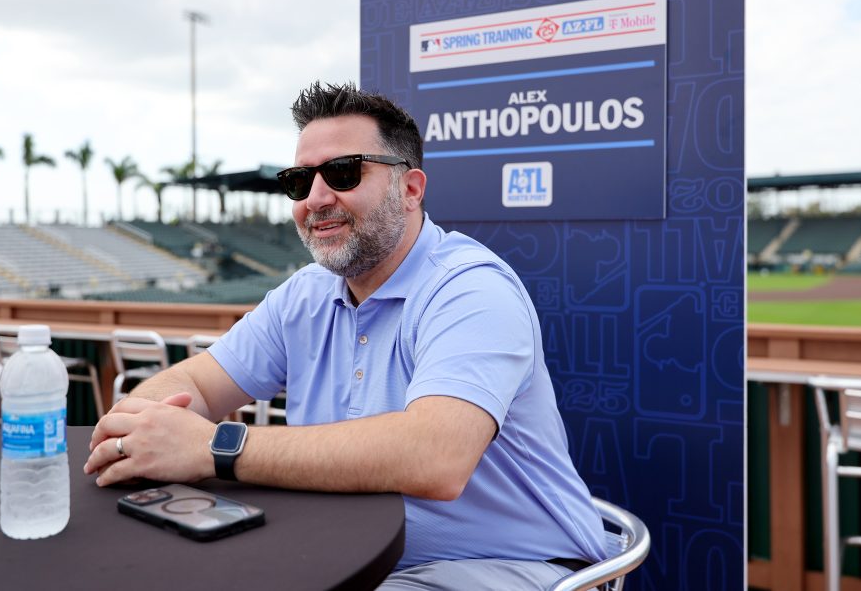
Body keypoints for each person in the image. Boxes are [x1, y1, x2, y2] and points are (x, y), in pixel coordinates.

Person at [84, 82, 608, 589]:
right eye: (297, 181)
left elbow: (436, 457)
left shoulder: (470, 289)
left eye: (342, 172)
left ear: (409, 189)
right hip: (348, 555)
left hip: (509, 565)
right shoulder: (306, 293)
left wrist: (215, 446)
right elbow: (198, 382)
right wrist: (145, 425)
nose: (315, 197)